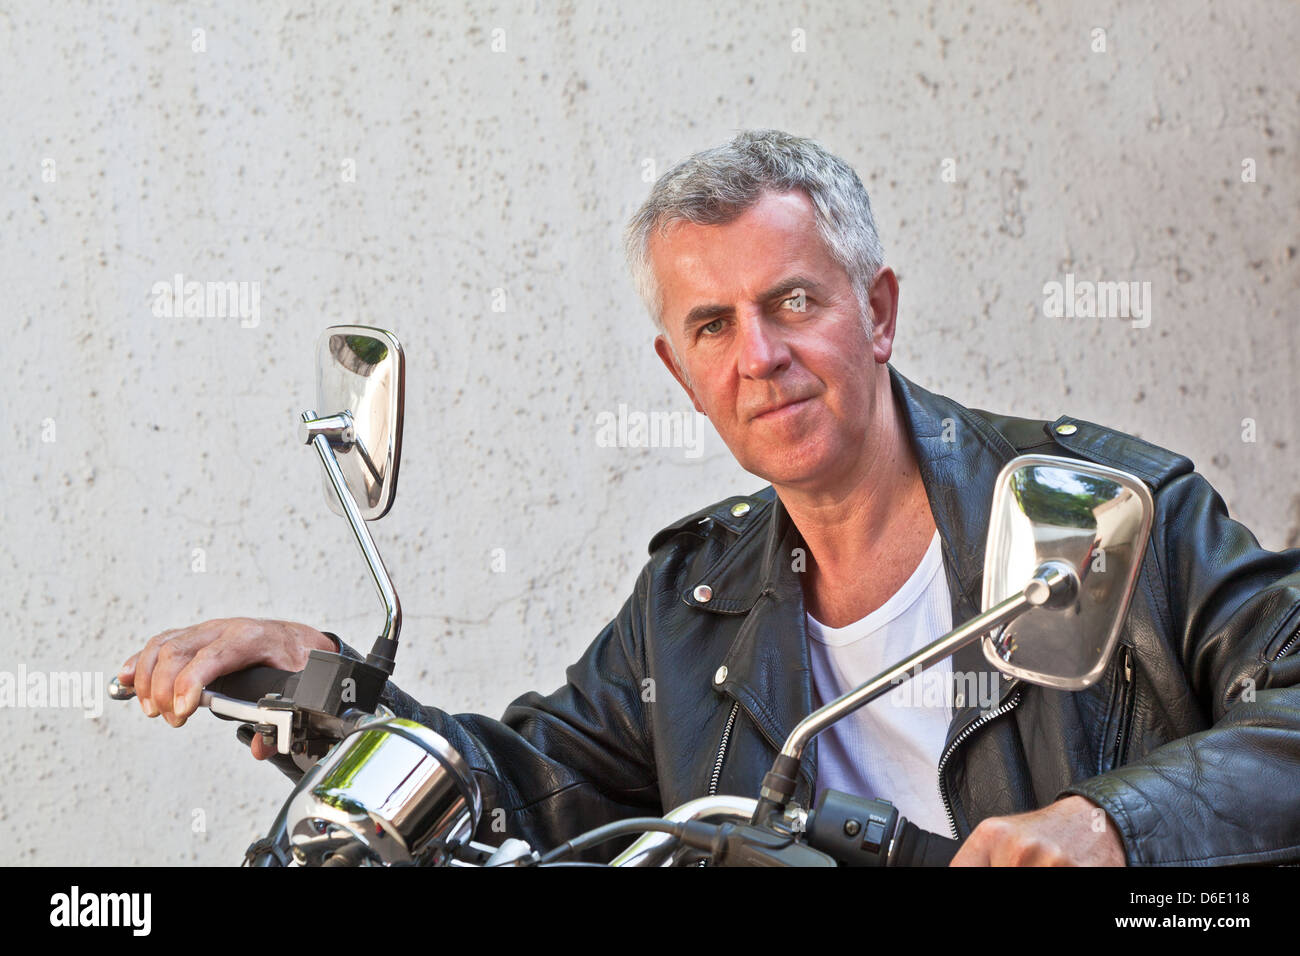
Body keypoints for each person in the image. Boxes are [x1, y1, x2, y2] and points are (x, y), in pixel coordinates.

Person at [118, 129, 1300, 866]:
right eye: (711, 326)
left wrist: (1114, 826)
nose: (759, 355)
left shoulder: (1103, 513)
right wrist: (333, 688)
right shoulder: (690, 602)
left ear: (876, 311)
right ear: (679, 373)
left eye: (792, 303)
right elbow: (522, 792)